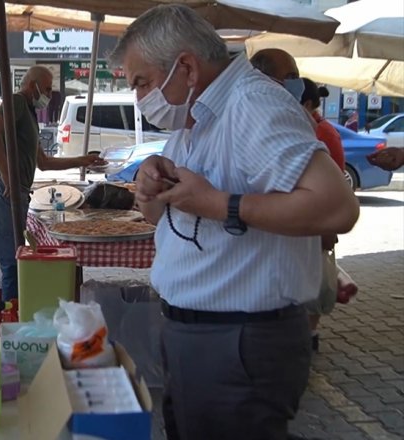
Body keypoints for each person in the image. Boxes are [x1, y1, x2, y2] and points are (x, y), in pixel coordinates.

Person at [110, 5, 359, 440]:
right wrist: (152, 185)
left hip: (240, 341)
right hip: (202, 335)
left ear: (185, 66)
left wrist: (218, 203)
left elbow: (337, 208)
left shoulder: (253, 104)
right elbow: (165, 216)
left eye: (142, 83)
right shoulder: (196, 120)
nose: (139, 98)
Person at [0, 65, 106, 300]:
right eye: (48, 89)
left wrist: (83, 160)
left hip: (10, 190)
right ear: (33, 86)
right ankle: (9, 319)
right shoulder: (18, 102)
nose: (49, 96)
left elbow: (43, 162)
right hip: (2, 190)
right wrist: (6, 174)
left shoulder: (29, 114)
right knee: (11, 261)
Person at [252, 50, 348, 352]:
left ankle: (303, 340)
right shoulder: (258, 118)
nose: (294, 83)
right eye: (290, 76)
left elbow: (332, 200)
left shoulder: (306, 125)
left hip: (293, 236)